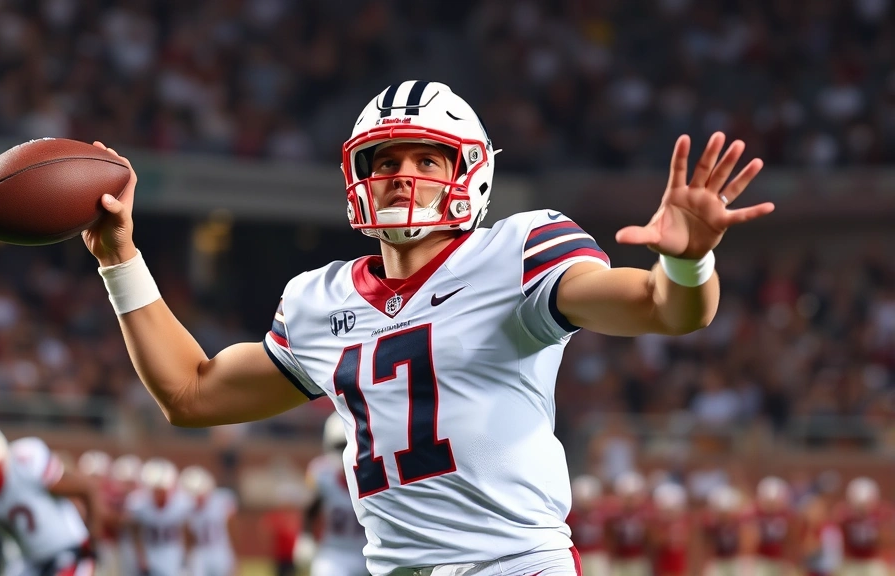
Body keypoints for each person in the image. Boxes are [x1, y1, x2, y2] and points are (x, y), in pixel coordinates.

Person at [83, 80, 773, 575]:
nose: (399, 175)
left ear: (469, 174)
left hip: (513, 564)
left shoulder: (518, 253)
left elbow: (663, 309)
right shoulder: (317, 301)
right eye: (384, 161)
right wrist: (120, 257)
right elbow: (191, 395)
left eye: (426, 158)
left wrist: (688, 262)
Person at [0, 419, 100, 576]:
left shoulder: (25, 463)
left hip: (66, 550)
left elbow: (86, 490)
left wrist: (92, 540)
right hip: (26, 561)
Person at [294, 412, 369, 576]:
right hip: (333, 553)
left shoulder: (374, 472)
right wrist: (306, 536)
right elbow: (311, 505)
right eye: (341, 445)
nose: (346, 451)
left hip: (368, 551)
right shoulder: (322, 473)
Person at [125, 457, 194, 576]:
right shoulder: (138, 503)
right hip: (150, 551)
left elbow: (188, 532)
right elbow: (135, 532)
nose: (160, 494)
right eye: (156, 490)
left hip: (172, 553)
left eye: (163, 490)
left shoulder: (182, 502)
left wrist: (186, 556)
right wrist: (140, 556)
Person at [179, 465, 238, 576]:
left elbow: (233, 529)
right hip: (199, 552)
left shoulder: (221, 499)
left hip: (220, 549)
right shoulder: (186, 508)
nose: (198, 498)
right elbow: (187, 536)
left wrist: (234, 556)